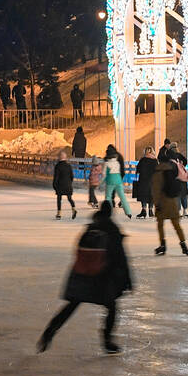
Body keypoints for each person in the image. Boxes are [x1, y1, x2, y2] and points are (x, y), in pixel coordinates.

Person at [37, 202, 133, 355]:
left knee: (72, 305)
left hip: (82, 275)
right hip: (102, 278)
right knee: (112, 308)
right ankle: (107, 341)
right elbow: (120, 258)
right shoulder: (112, 229)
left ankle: (50, 331)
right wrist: (128, 280)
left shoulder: (90, 228)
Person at [151, 151, 188, 256]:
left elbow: (156, 189)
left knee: (160, 224)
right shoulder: (173, 170)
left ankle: (162, 245)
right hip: (173, 201)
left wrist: (156, 203)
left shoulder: (158, 172)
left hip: (162, 202)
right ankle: (184, 245)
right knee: (176, 225)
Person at [102, 146, 132, 217]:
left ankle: (108, 212)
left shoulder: (106, 163)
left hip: (110, 181)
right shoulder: (117, 162)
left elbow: (104, 174)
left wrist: (101, 183)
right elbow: (120, 170)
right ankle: (128, 212)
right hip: (118, 180)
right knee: (122, 196)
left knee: (108, 197)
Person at [53, 151, 78, 219]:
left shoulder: (58, 166)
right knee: (69, 198)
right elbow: (72, 176)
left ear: (59, 158)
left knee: (59, 199)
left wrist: (54, 185)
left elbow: (56, 177)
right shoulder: (69, 166)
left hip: (60, 185)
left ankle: (59, 213)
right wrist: (69, 183)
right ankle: (74, 209)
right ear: (65, 158)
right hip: (68, 185)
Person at [133, 147, 157, 219]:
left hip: (143, 180)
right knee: (151, 195)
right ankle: (150, 211)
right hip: (152, 181)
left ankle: (143, 210)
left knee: (143, 195)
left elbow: (138, 169)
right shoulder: (155, 160)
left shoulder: (142, 160)